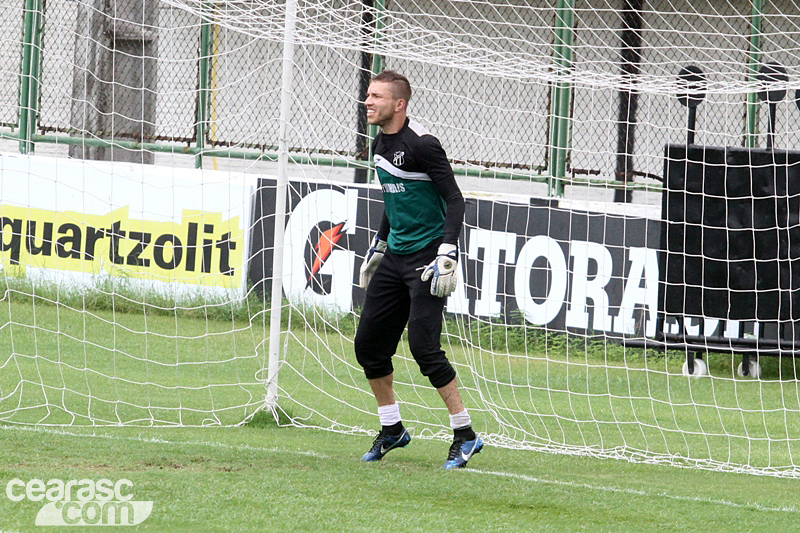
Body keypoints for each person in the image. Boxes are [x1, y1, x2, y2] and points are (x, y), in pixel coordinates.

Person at [354, 70, 482, 469]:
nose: (367, 102)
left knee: (424, 348)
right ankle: (392, 428)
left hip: (428, 259)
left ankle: (465, 434)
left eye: (376, 96)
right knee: (368, 347)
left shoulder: (423, 144)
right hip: (394, 257)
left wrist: (447, 252)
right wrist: (379, 244)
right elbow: (395, 200)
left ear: (399, 104)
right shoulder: (379, 143)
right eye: (368, 95)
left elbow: (455, 200)